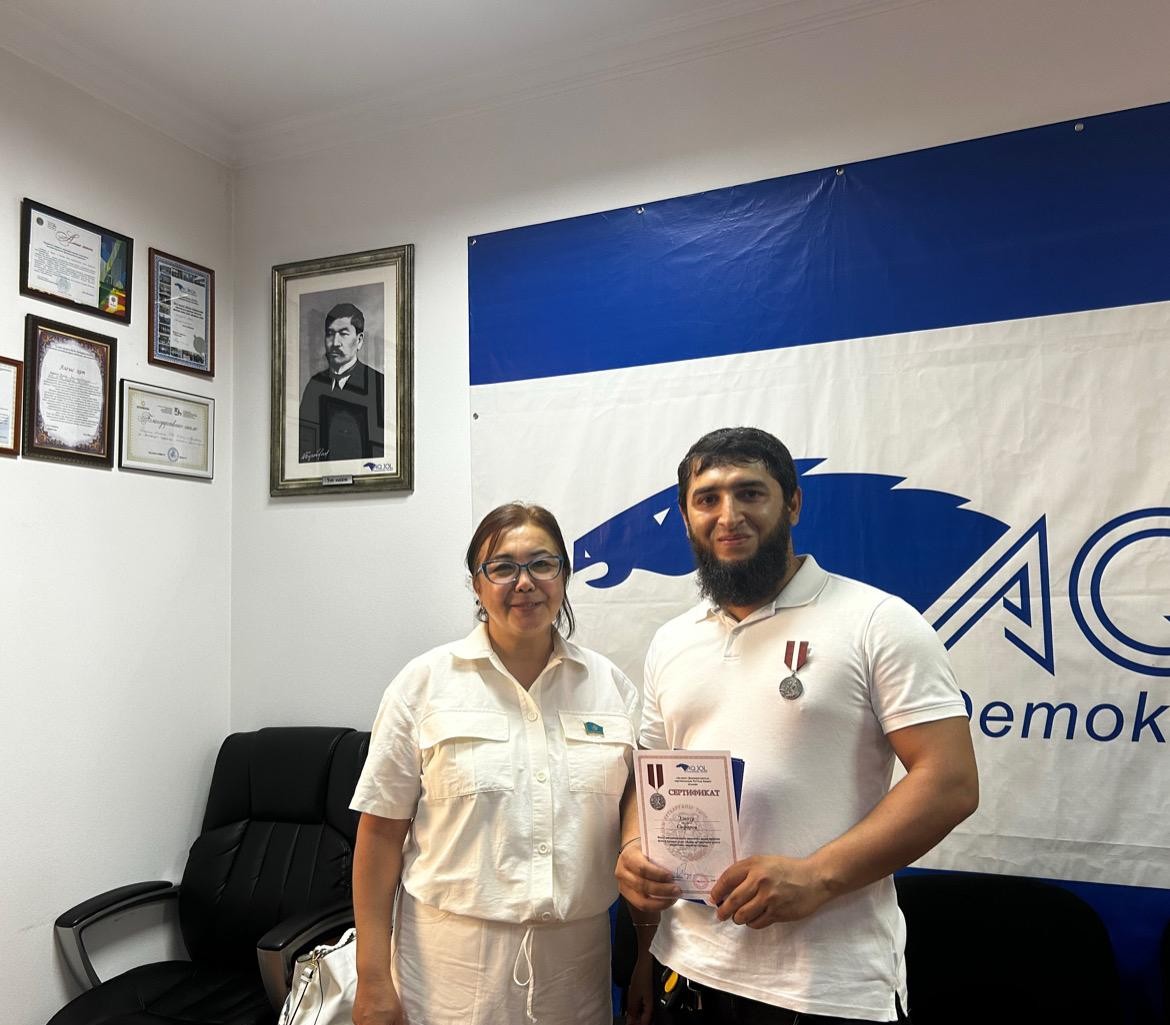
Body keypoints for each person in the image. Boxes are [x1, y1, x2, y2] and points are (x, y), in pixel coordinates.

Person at [617, 427, 979, 1024]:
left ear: (792, 503)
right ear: (685, 517)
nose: (728, 516)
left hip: (825, 988)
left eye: (749, 493)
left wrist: (817, 877)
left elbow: (950, 781)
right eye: (707, 499)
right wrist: (635, 844)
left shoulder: (878, 621)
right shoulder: (672, 641)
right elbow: (649, 770)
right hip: (686, 969)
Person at [351, 502, 640, 1025]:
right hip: (447, 977)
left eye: (542, 564)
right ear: (477, 586)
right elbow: (379, 836)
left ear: (564, 575)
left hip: (576, 975)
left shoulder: (611, 688)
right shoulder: (423, 685)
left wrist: (645, 953)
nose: (524, 582)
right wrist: (372, 979)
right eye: (503, 567)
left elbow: (638, 825)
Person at [298, 301, 385, 462]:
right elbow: (303, 445)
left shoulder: (379, 384)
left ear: (359, 340)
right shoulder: (314, 385)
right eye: (330, 334)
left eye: (343, 334)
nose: (335, 343)